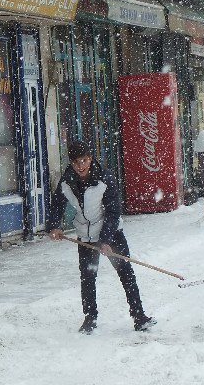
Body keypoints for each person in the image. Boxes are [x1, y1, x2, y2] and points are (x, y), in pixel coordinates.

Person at [46, 140, 155, 334]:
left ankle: (139, 316)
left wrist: (105, 240)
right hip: (85, 237)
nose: (81, 165)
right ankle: (90, 319)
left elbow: (113, 212)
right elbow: (56, 205)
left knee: (126, 274)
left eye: (85, 160)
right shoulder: (66, 182)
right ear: (71, 163)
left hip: (111, 233)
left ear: (91, 159)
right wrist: (54, 225)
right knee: (88, 277)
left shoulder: (104, 179)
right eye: (77, 162)